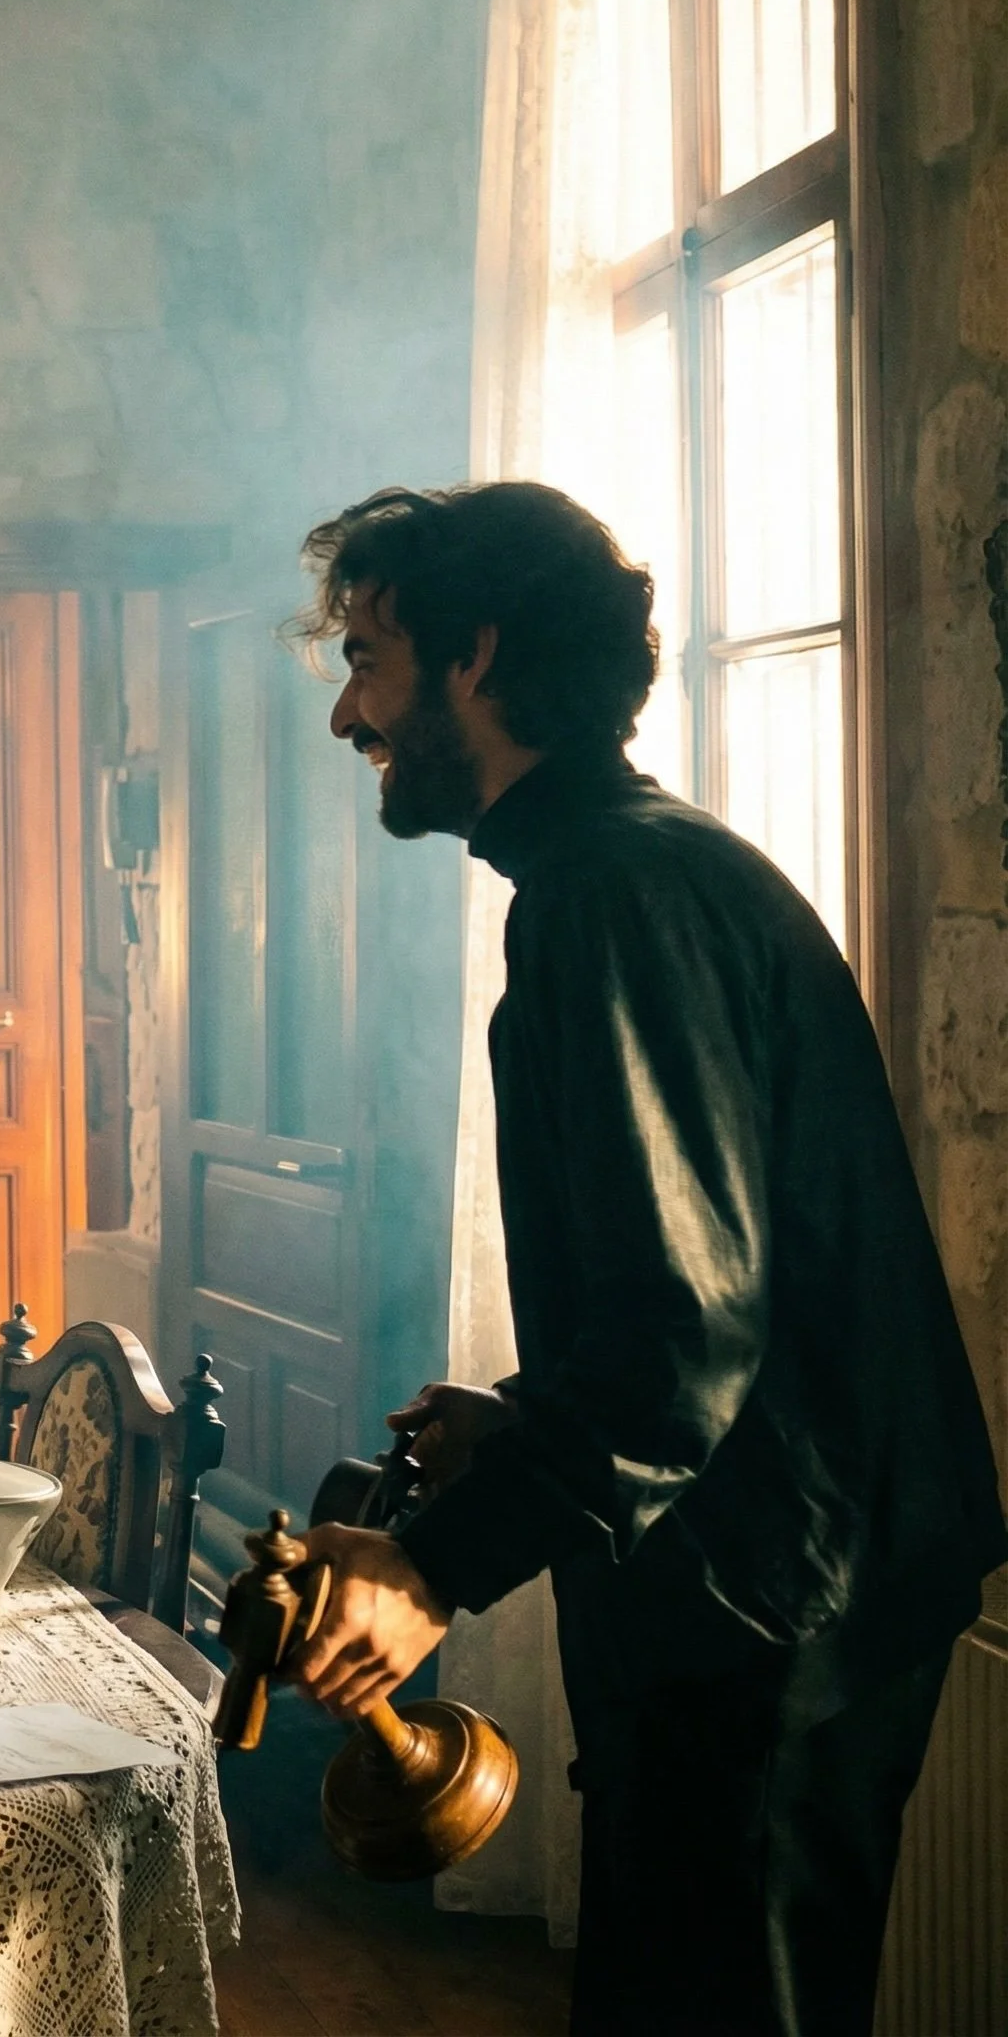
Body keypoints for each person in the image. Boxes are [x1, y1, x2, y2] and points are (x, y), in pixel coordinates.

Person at [286, 481, 1006, 2037]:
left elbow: (686, 1335)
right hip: (765, 1567)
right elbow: (697, 1285)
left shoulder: (611, 894)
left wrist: (430, 1571)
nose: (350, 712)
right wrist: (528, 1425)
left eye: (371, 660)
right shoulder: (621, 870)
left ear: (475, 657)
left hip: (775, 1599)